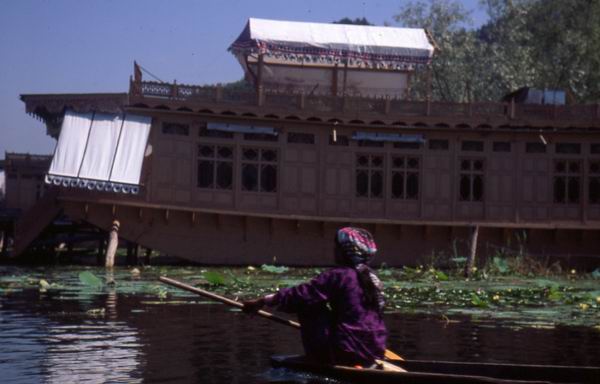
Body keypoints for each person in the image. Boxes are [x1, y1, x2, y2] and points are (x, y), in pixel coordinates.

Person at [243, 227, 387, 367]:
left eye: (336, 247)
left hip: (344, 352)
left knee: (309, 304)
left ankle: (319, 358)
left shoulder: (339, 275)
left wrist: (262, 301)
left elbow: (301, 294)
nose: (334, 251)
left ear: (344, 252)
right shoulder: (373, 279)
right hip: (375, 351)